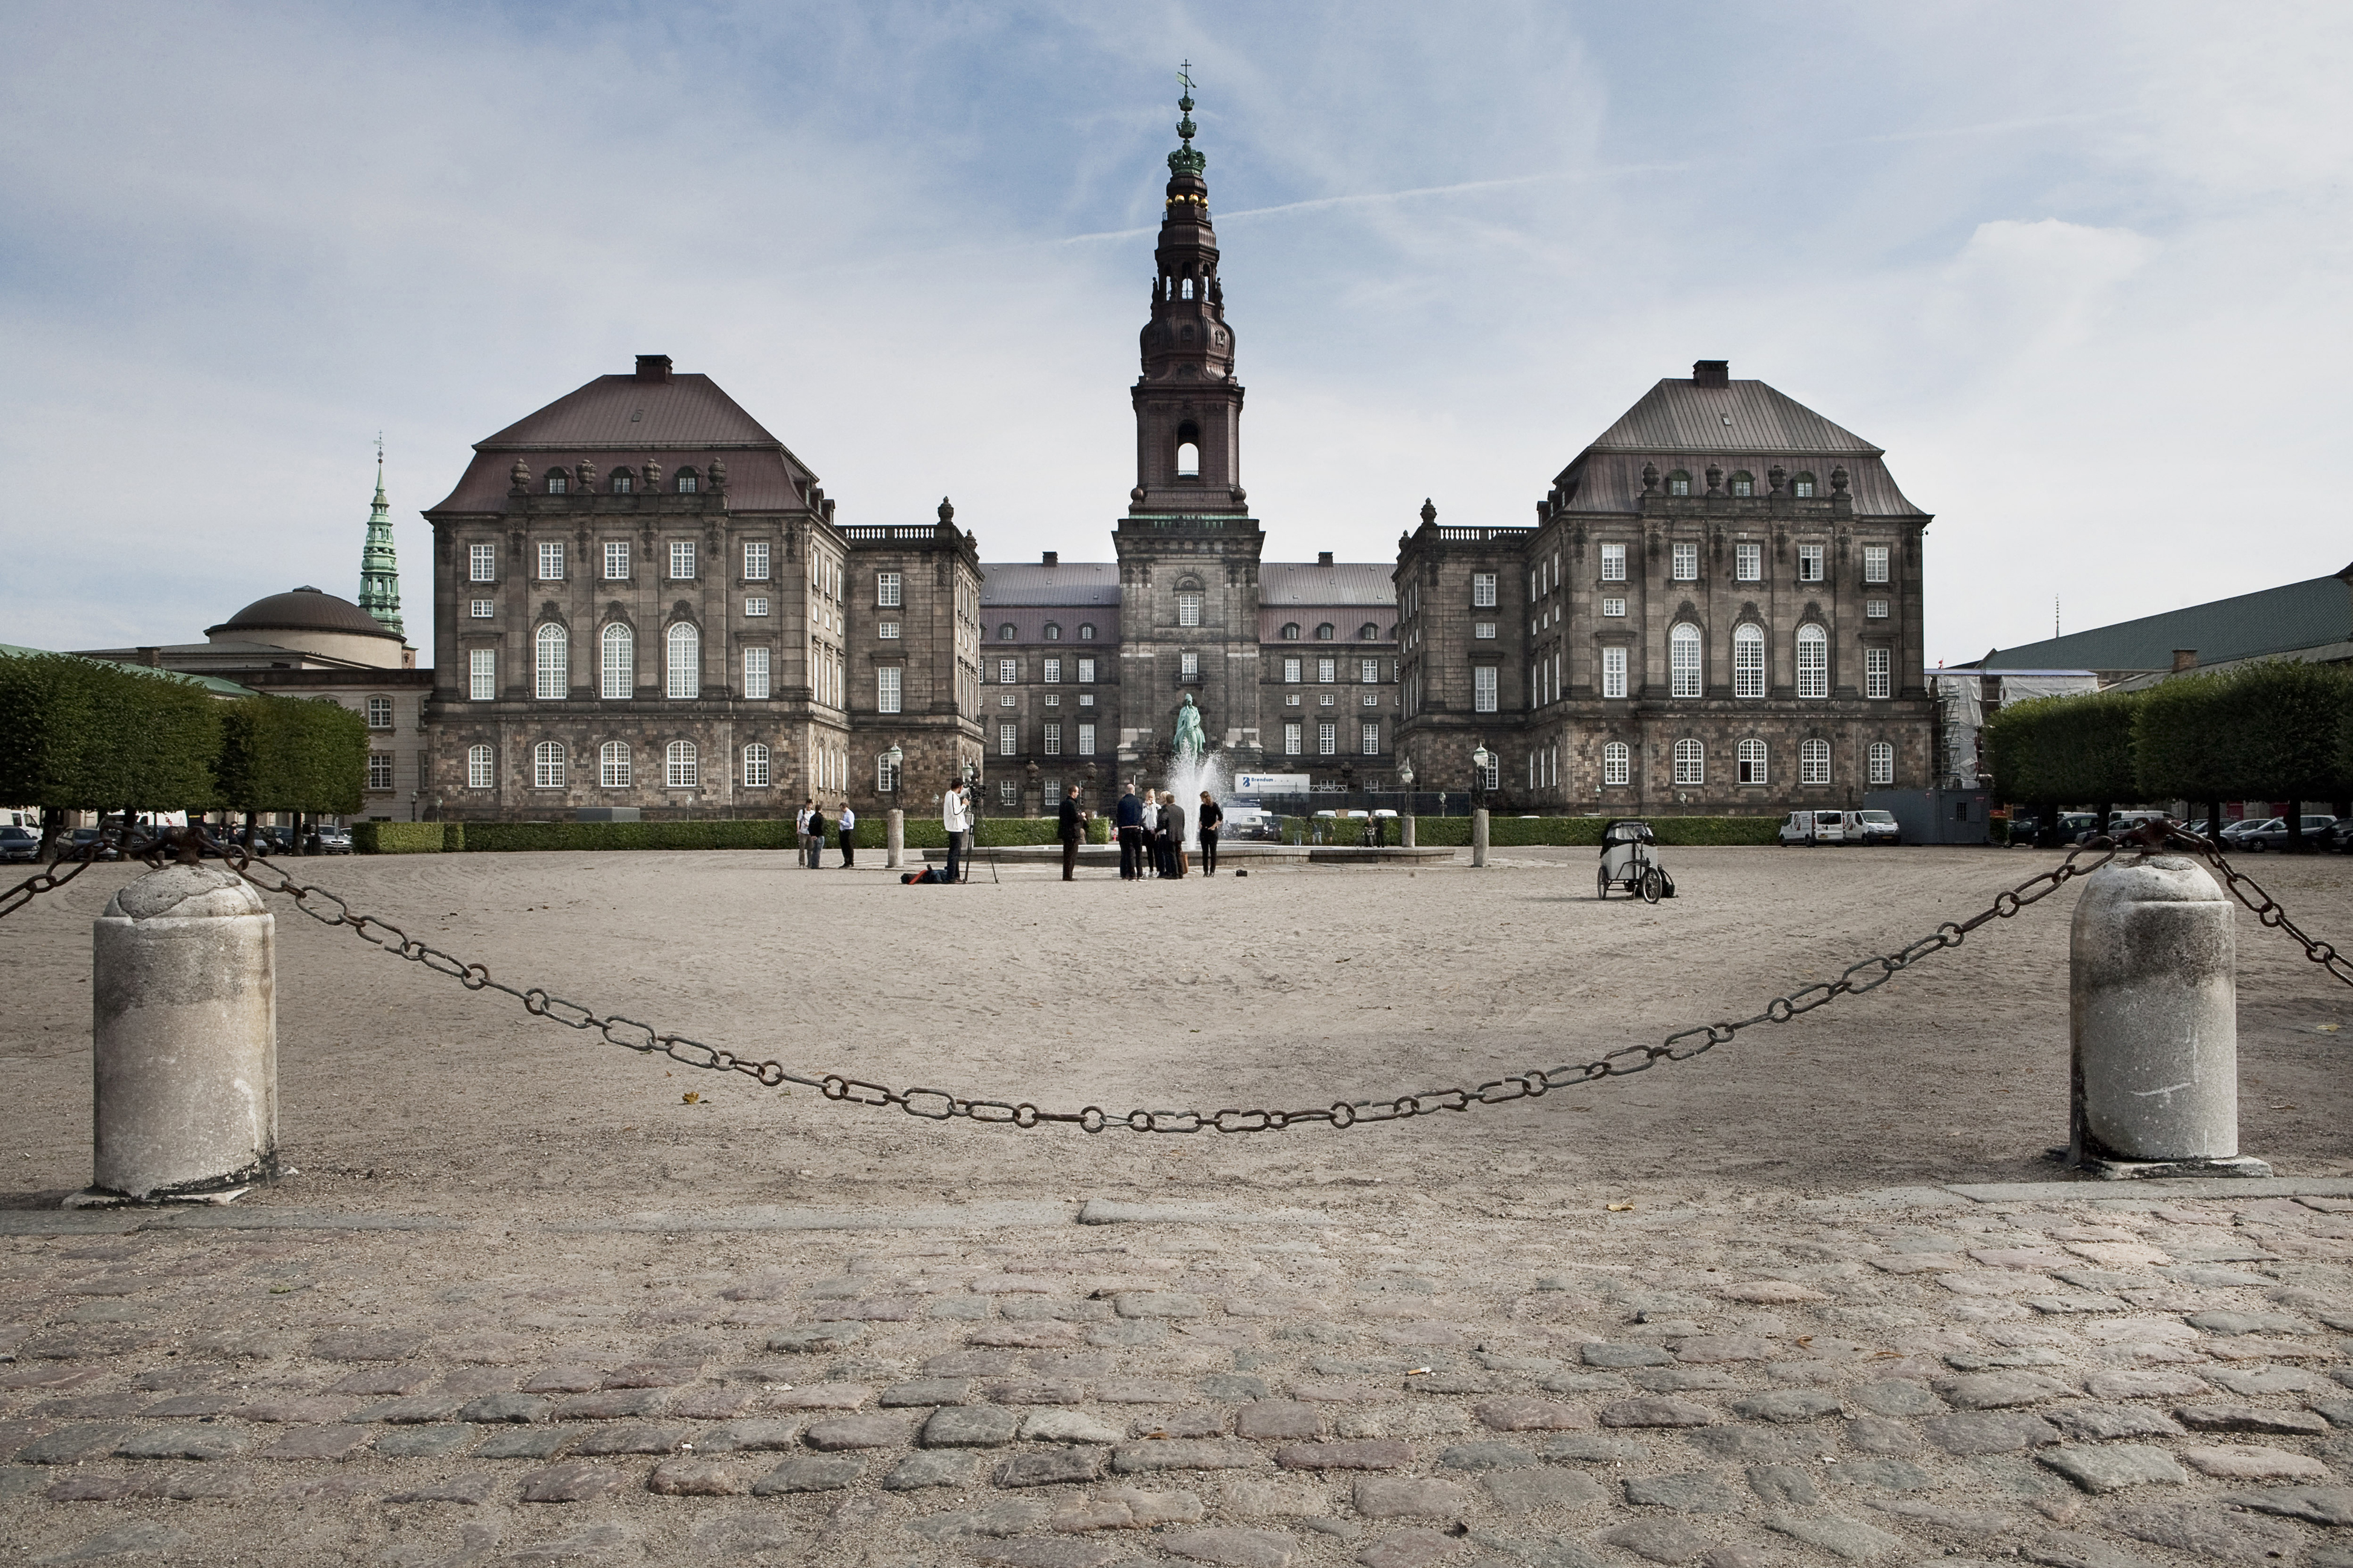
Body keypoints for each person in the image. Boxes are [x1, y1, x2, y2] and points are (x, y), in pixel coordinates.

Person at [1114, 782, 1145, 881]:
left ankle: (1132, 875)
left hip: (1126, 829)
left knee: (1129, 853)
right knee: (1139, 853)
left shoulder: (1121, 802)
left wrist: (1120, 829)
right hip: (1136, 828)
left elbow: (1118, 817)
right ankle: (1140, 874)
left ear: (1126, 792)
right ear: (1134, 791)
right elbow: (1142, 815)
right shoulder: (1139, 801)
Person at [942, 780, 971, 884]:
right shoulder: (952, 796)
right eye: (962, 788)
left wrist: (968, 790)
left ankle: (955, 876)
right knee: (954, 854)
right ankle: (952, 877)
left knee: (955, 853)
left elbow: (959, 795)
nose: (962, 789)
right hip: (955, 828)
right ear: (959, 787)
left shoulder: (950, 794)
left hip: (954, 827)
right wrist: (964, 805)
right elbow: (955, 813)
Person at [1058, 785, 1088, 881]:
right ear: (1073, 793)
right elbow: (1075, 817)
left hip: (1065, 832)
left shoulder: (1063, 803)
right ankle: (1068, 876)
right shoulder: (1072, 804)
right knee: (1072, 855)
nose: (1078, 794)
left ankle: (1066, 875)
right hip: (1073, 832)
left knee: (1067, 855)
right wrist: (1081, 815)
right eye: (1077, 792)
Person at [1162, 791, 1187, 878]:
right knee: (1179, 853)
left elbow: (1163, 821)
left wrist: (1162, 828)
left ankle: (1175, 873)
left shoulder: (1167, 810)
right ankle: (1181, 873)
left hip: (1171, 835)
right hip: (1180, 835)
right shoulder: (1181, 809)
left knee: (1172, 854)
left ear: (1167, 801)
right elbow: (1183, 823)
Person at [1196, 791, 1222, 876]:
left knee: (1213, 852)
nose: (1201, 801)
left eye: (1202, 799)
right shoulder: (1202, 807)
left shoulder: (1214, 806)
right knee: (1205, 852)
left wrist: (1215, 826)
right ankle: (1206, 871)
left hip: (1212, 831)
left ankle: (1212, 871)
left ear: (1206, 798)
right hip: (1204, 831)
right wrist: (1200, 823)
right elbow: (1201, 817)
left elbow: (1220, 817)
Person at [1140, 789, 1161, 877]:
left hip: (1155, 831)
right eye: (1149, 797)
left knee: (1157, 852)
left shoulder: (1157, 807)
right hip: (1146, 830)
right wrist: (1147, 807)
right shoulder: (1143, 806)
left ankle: (1159, 869)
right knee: (1149, 852)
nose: (1150, 799)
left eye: (1152, 797)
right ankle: (1151, 868)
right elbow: (1142, 817)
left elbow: (1158, 819)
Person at [805, 803, 826, 870]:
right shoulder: (821, 818)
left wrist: (812, 835)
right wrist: (817, 835)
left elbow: (810, 827)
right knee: (818, 851)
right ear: (821, 810)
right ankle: (816, 864)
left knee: (814, 850)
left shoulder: (812, 817)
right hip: (819, 836)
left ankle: (813, 864)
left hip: (813, 836)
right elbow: (821, 828)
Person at [795, 798, 813, 867]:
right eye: (808, 805)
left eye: (810, 805)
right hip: (803, 832)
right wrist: (798, 829)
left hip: (810, 832)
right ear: (806, 805)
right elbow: (798, 820)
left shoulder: (813, 813)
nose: (809, 806)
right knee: (802, 849)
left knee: (810, 849)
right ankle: (802, 863)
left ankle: (810, 863)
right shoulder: (802, 812)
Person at [837, 803, 857, 867]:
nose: (841, 810)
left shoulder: (850, 814)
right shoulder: (845, 814)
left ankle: (850, 862)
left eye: (841, 808)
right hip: (843, 831)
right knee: (844, 847)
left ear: (844, 807)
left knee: (848, 847)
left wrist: (841, 822)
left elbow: (850, 824)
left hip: (848, 831)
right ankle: (846, 861)